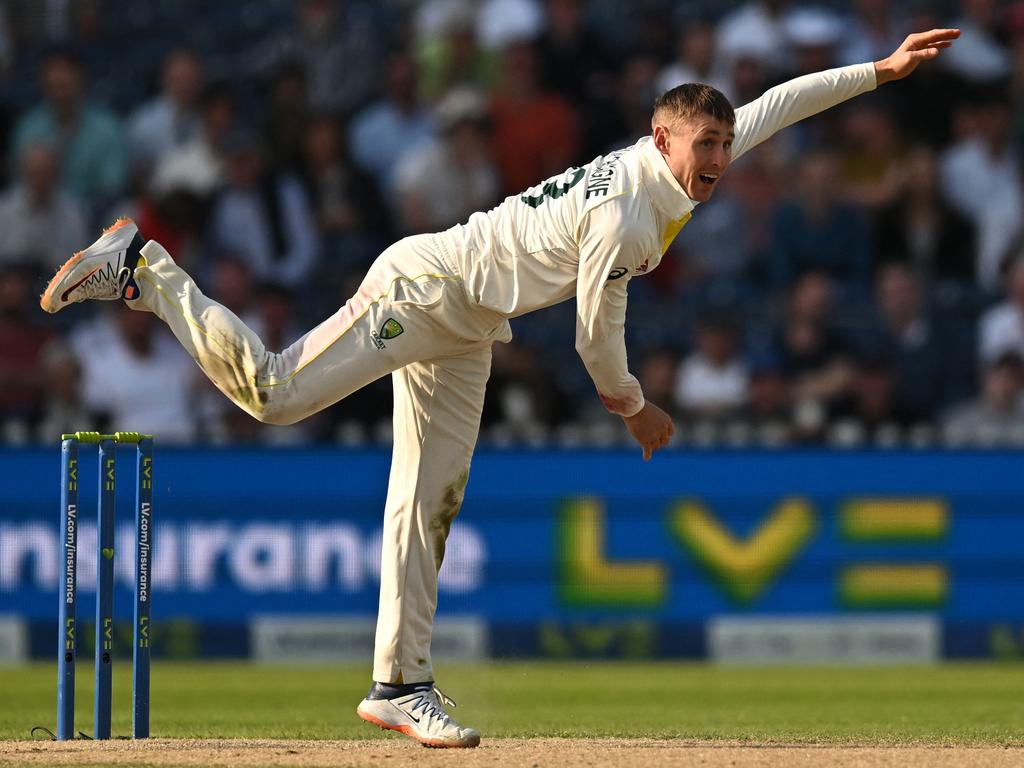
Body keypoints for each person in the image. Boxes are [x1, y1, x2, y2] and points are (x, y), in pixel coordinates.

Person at [39, 28, 960, 749]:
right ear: (660, 139)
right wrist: (636, 407)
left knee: (428, 499)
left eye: (722, 142)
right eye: (702, 145)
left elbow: (783, 103)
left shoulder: (690, 162)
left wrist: (879, 71)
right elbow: (598, 340)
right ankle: (147, 267)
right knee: (273, 396)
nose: (717, 159)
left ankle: (398, 685)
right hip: (425, 287)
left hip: (467, 323)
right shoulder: (624, 209)